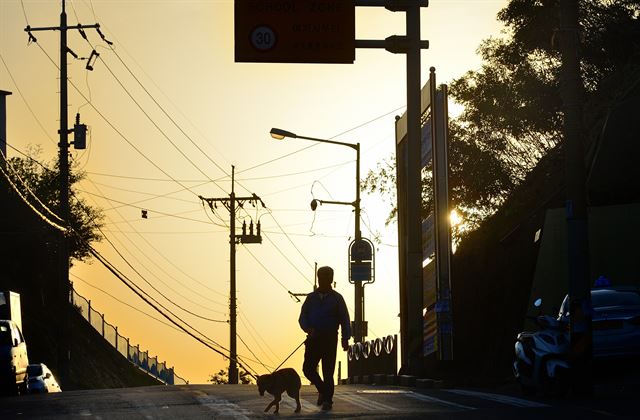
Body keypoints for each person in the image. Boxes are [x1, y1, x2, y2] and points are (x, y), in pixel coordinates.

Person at [299, 266, 351, 411]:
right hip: (314, 338)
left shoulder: (337, 298)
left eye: (328, 277)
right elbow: (303, 317)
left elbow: (344, 319)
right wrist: (308, 328)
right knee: (307, 368)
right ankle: (322, 389)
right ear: (318, 278)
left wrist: (345, 338)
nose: (325, 280)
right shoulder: (311, 298)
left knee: (328, 371)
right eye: (322, 277)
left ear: (331, 279)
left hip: (329, 338)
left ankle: (328, 399)